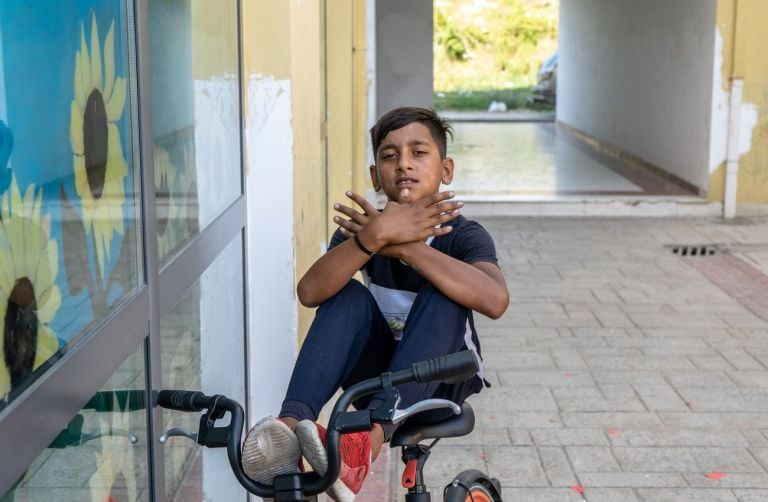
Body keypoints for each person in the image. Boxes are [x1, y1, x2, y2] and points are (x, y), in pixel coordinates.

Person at [241, 106, 509, 501]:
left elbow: (495, 300)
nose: (403, 165)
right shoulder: (364, 231)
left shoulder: (463, 235)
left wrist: (406, 248)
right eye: (389, 155)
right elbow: (310, 293)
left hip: (439, 390)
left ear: (446, 169)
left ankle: (365, 447)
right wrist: (374, 236)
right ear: (375, 177)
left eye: (418, 153)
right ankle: (288, 435)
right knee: (346, 294)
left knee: (445, 288)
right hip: (374, 383)